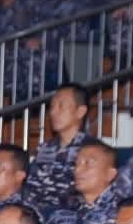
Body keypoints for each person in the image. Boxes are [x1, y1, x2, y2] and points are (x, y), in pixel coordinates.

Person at [23, 83, 91, 213]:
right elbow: (29, 188)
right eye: (52, 107)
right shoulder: (44, 149)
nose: (53, 112)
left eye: (61, 106)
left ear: (80, 112)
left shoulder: (91, 150)